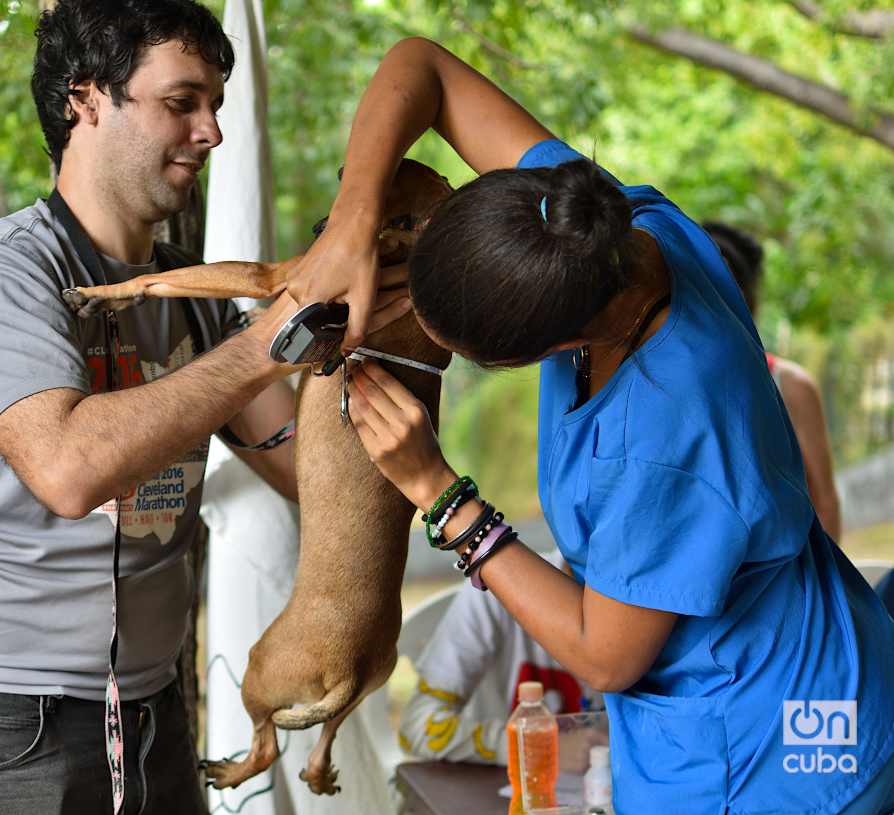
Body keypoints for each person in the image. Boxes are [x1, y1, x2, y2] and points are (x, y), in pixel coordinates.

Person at [287, 37, 894, 814]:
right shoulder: (597, 229)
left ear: (559, 345)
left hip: (770, 751)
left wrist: (438, 493)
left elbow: (603, 656)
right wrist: (352, 222)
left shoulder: (663, 435)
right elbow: (423, 68)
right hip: (823, 663)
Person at [0, 3, 411, 814]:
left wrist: (378, 346)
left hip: (152, 709)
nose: (209, 132)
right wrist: (268, 340)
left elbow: (302, 470)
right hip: (4, 721)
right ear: (87, 98)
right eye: (182, 102)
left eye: (214, 105)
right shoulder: (0, 271)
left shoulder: (198, 299)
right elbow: (69, 470)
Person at [398, 552, 607, 773]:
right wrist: (537, 747)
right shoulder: (494, 588)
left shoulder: (640, 604)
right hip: (496, 788)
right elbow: (417, 726)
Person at [703, 221, 842, 540]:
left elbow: (825, 502)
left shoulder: (789, 385)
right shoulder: (659, 385)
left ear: (747, 302)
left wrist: (828, 587)